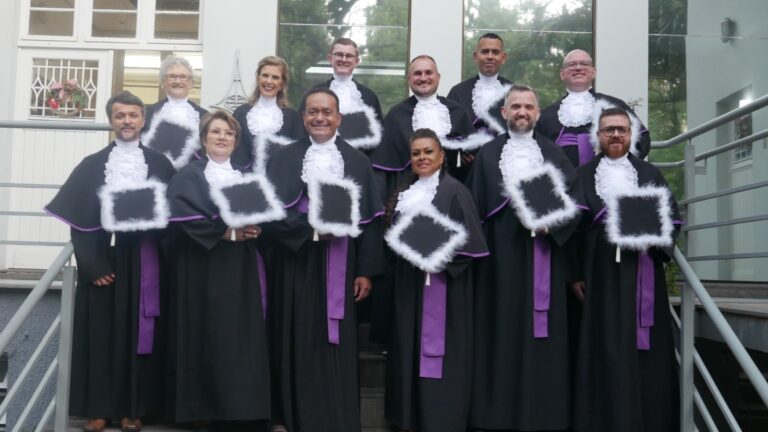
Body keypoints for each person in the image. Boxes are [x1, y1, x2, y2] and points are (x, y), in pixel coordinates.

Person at [44, 91, 176, 432]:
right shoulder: (92, 165)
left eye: (133, 115)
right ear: (111, 120)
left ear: (143, 120)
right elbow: (80, 222)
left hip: (146, 260)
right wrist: (93, 265)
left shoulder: (160, 164)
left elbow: (173, 218)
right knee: (100, 337)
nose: (127, 121)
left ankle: (135, 409)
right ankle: (98, 409)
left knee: (140, 337)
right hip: (105, 261)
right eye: (120, 116)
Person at [263, 88, 384, 431]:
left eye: (327, 112)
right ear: (303, 118)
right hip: (294, 260)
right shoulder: (284, 159)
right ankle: (288, 415)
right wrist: (310, 231)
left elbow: (371, 222)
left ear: (339, 118)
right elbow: (271, 216)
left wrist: (366, 272)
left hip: (341, 263)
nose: (320, 118)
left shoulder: (358, 161)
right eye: (313, 112)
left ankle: (334, 417)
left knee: (334, 341)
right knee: (293, 335)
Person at [465, 85, 582, 432]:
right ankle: (494, 416)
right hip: (497, 262)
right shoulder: (487, 155)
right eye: (515, 106)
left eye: (528, 106)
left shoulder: (555, 155)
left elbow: (574, 204)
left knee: (540, 336)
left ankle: (543, 415)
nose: (522, 112)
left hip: (542, 257)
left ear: (537, 112)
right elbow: (473, 209)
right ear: (504, 112)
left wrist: (552, 224)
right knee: (498, 331)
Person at [571, 107, 681, 432]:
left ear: (631, 135)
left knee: (642, 349)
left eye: (621, 129)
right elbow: (572, 231)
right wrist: (574, 274)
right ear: (598, 136)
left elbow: (672, 218)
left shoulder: (650, 175)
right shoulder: (581, 175)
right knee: (601, 346)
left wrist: (654, 238)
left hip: (640, 273)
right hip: (597, 275)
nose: (615, 135)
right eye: (608, 130)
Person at [165, 110, 271, 428]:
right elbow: (180, 215)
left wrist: (256, 228)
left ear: (236, 141)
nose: (222, 137)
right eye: (216, 132)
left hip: (239, 268)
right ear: (204, 138)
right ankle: (201, 409)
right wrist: (222, 231)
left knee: (238, 335)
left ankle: (239, 409)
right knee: (204, 332)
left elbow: (263, 212)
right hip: (201, 266)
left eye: (228, 133)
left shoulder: (246, 176)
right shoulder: (188, 175)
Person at [383, 129, 488, 432]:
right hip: (408, 287)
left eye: (428, 152)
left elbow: (473, 247)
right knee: (407, 349)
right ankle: (408, 417)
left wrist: (436, 256)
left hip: (444, 290)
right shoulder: (403, 195)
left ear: (442, 157)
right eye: (416, 153)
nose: (422, 158)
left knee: (440, 357)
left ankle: (440, 419)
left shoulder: (456, 192)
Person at [370, 55, 478, 195]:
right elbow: (382, 165)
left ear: (438, 77)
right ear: (409, 79)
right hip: (407, 192)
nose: (423, 78)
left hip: (448, 193)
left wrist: (466, 162)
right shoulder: (396, 115)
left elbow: (472, 160)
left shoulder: (457, 111)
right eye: (417, 73)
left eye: (428, 73)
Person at [535, 49, 650, 168]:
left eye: (584, 64)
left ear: (593, 72)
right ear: (562, 74)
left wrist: (619, 166)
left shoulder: (614, 105)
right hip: (562, 181)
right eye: (572, 64)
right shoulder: (547, 114)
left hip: (606, 179)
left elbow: (642, 139)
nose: (578, 68)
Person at [299, 37, 384, 153]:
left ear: (357, 61)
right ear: (330, 58)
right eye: (339, 55)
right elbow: (302, 130)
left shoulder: (369, 97)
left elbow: (379, 139)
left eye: (349, 56)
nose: (344, 59)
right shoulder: (313, 94)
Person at [231, 56, 304, 172]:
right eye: (265, 75)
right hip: (244, 182)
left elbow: (296, 155)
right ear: (258, 78)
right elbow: (233, 151)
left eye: (275, 77)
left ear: (282, 84)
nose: (269, 81)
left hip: (278, 183)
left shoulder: (292, 117)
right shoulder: (240, 113)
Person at [142, 55, 208, 169]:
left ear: (191, 83)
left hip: (191, 176)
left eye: (183, 77)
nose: (178, 81)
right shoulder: (147, 113)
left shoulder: (204, 116)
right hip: (157, 172)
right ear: (163, 81)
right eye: (172, 76)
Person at [447, 32, 512, 136]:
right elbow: (449, 132)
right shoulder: (458, 92)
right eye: (485, 52)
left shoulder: (515, 92)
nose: (490, 56)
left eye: (495, 52)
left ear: (503, 57)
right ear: (476, 56)